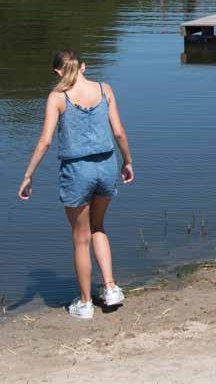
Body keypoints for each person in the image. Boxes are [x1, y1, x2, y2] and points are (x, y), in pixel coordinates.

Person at [17, 50, 134, 320]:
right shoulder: (105, 89)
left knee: (81, 239)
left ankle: (84, 304)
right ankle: (111, 288)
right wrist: (127, 161)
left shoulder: (57, 97)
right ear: (83, 66)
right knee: (99, 227)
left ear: (57, 72)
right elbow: (118, 131)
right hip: (106, 165)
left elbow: (45, 142)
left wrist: (28, 175)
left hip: (77, 171)